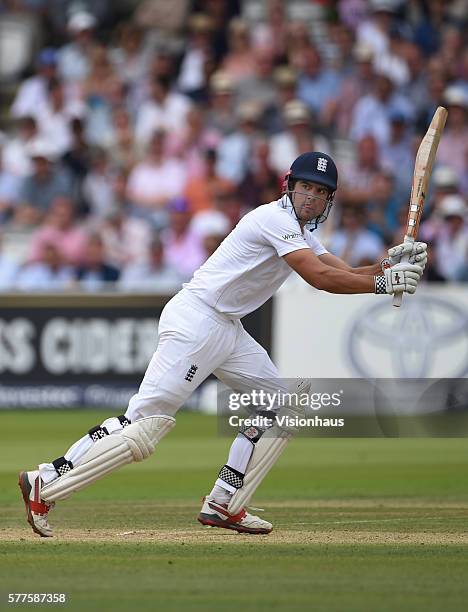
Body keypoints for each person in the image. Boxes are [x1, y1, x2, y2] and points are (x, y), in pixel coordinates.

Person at [19, 152, 427, 538]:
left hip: (226, 328)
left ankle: (225, 501)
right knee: (143, 424)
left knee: (282, 406)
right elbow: (319, 278)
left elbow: (345, 270)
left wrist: (392, 263)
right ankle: (46, 479)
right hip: (197, 320)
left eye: (321, 192)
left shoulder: (300, 234)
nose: (312, 197)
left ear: (328, 201)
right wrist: (381, 283)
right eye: (306, 187)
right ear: (289, 187)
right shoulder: (273, 219)